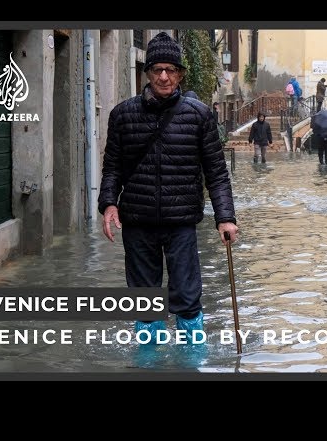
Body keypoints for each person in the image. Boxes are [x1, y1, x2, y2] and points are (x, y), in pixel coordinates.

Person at [97, 32, 239, 344]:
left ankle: (191, 360)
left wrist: (225, 217)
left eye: (171, 70)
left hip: (181, 223)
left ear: (180, 74)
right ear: (147, 73)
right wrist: (108, 204)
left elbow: (216, 172)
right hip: (137, 221)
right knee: (145, 303)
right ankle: (149, 361)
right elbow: (113, 167)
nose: (164, 76)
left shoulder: (199, 115)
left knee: (187, 299)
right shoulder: (122, 115)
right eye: (157, 69)